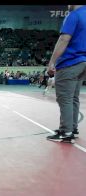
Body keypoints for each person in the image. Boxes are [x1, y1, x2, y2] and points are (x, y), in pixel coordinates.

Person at [46, 5, 86, 143]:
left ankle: (66, 131)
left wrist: (52, 62)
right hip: (83, 63)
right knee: (74, 97)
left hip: (70, 62)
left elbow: (64, 39)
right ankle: (73, 129)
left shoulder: (74, 15)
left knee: (65, 98)